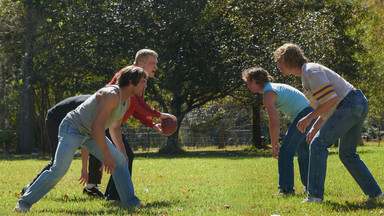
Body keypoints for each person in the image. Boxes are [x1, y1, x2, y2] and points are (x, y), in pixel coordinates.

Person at [15, 66, 145, 213]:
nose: (145, 85)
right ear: (130, 81)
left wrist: (120, 153)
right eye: (143, 81)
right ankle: (23, 203)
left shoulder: (126, 101)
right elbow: (97, 126)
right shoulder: (111, 95)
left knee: (120, 161)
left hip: (89, 133)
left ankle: (131, 203)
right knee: (59, 168)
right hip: (72, 128)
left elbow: (114, 128)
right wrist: (106, 155)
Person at [274, 43, 383, 203]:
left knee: (318, 145)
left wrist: (309, 118)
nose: (278, 66)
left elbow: (331, 100)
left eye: (279, 61)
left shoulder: (310, 71)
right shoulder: (307, 74)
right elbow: (328, 107)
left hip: (349, 105)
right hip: (356, 104)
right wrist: (314, 129)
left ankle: (315, 196)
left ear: (288, 60)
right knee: (347, 154)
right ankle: (376, 195)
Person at [79, 49, 176, 201]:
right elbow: (139, 104)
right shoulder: (127, 75)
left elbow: (136, 109)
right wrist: (159, 115)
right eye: (152, 63)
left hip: (112, 125)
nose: (155, 67)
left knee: (123, 157)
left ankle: (112, 195)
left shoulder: (140, 81)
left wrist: (152, 124)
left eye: (156, 63)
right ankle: (112, 195)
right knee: (60, 162)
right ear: (141, 63)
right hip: (101, 123)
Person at [242, 67, 315, 195]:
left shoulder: (268, 94)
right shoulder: (272, 88)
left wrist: (275, 144)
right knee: (302, 151)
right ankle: (311, 187)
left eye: (248, 82)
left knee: (285, 152)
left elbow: (274, 123)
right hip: (310, 113)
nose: (247, 86)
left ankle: (286, 190)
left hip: (305, 115)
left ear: (255, 80)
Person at [20, 95, 105, 198]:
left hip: (69, 121)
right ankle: (29, 188)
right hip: (55, 120)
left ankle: (91, 187)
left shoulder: (103, 105)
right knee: (57, 161)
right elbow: (85, 141)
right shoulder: (94, 107)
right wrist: (84, 169)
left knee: (96, 146)